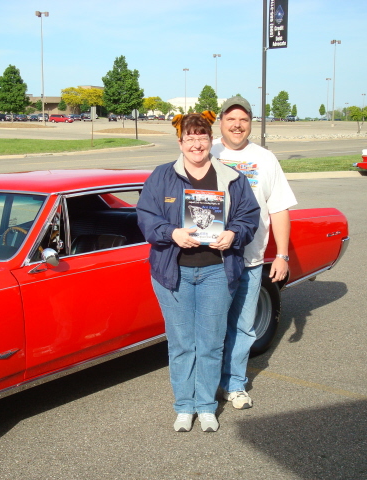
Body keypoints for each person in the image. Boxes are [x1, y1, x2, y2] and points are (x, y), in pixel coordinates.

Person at [136, 111, 260, 432]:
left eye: (201, 136)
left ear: (210, 140)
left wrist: (233, 234)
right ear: (180, 142)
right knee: (180, 343)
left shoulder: (232, 178)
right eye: (189, 138)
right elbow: (146, 218)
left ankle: (205, 405)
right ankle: (183, 406)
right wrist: (171, 233)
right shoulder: (162, 176)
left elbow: (248, 217)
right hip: (173, 273)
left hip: (217, 272)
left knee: (210, 342)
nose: (196, 143)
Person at [210, 96, 297, 410]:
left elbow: (279, 209)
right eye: (231, 119)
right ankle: (205, 385)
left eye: (244, 120)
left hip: (250, 260)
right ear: (221, 122)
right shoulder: (208, 151)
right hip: (210, 261)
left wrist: (283, 255)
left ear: (251, 123)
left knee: (243, 326)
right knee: (210, 326)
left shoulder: (265, 158)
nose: (237, 125)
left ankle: (234, 384)